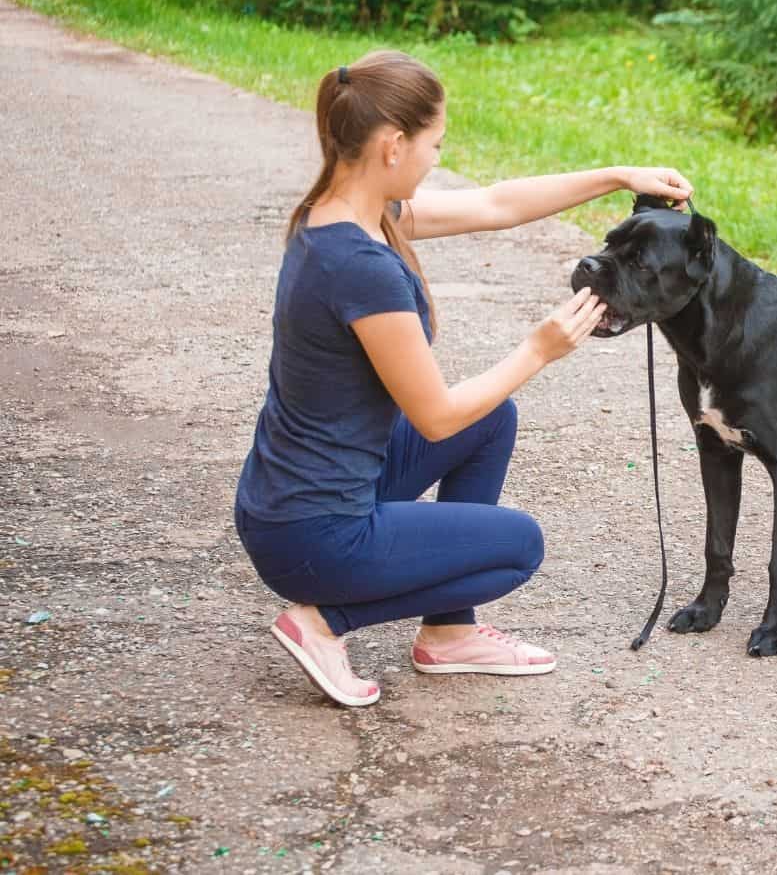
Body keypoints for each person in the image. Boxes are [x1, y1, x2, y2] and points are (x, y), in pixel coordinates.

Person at [233, 49, 693, 708]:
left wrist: (618, 175)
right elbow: (436, 417)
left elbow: (498, 204)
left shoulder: (343, 217)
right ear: (394, 146)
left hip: (283, 507)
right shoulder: (362, 266)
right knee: (517, 547)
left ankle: (449, 631)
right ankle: (325, 622)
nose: (436, 160)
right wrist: (539, 349)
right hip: (314, 535)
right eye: (435, 145)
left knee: (493, 416)